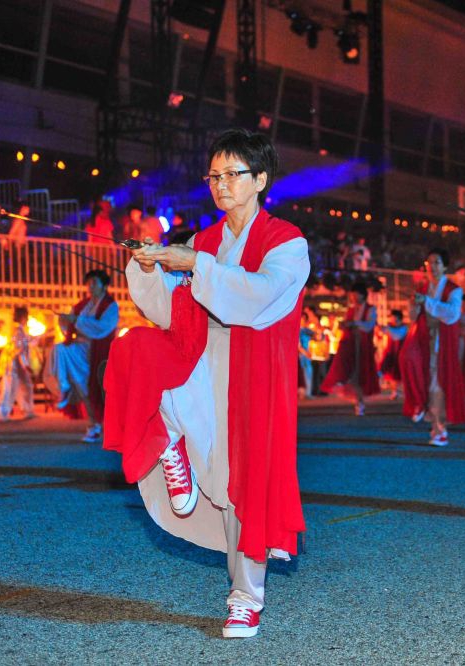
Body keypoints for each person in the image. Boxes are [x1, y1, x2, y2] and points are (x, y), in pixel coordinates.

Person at [104, 128, 309, 639]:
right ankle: (170, 445)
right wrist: (149, 267)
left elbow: (259, 298)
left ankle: (245, 599)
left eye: (232, 174)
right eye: (213, 175)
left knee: (245, 485)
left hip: (255, 373)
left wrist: (197, 264)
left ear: (260, 180)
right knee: (139, 348)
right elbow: (172, 310)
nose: (220, 184)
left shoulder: (287, 242)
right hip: (205, 359)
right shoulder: (206, 241)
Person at [400, 247, 465, 446]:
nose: (432, 266)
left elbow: (452, 315)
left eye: (437, 262)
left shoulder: (453, 289)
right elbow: (413, 318)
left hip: (442, 343)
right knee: (414, 368)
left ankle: (440, 428)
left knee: (438, 384)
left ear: (445, 266)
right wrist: (413, 305)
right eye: (429, 263)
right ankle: (423, 410)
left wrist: (427, 302)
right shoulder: (422, 287)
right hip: (423, 341)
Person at [44, 269, 118, 442]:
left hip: (96, 351)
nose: (90, 287)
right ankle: (63, 386)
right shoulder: (82, 305)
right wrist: (65, 319)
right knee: (62, 354)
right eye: (89, 283)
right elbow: (69, 327)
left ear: (104, 286)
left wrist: (75, 320)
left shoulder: (110, 305)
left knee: (92, 388)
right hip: (79, 349)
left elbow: (102, 328)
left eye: (94, 283)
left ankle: (99, 425)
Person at [320, 282, 380, 415]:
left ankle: (360, 401)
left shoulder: (371, 309)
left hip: (363, 346)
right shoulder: (352, 310)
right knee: (352, 373)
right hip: (351, 346)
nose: (353, 297)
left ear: (362, 295)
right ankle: (358, 401)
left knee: (361, 373)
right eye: (352, 295)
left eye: (355, 294)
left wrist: (354, 324)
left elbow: (369, 325)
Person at [0, 306, 38, 421]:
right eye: (26, 317)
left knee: (25, 386)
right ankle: (1, 413)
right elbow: (19, 350)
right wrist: (26, 365)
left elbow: (25, 343)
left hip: (17, 363)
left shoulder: (19, 330)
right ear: (23, 317)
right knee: (9, 388)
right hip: (12, 364)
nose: (28, 319)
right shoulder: (17, 331)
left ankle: (27, 410)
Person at [378, 309, 407, 400]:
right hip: (391, 353)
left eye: (392, 317)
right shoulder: (390, 327)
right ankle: (395, 391)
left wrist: (386, 329)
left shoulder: (403, 328)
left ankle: (398, 391)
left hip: (400, 354)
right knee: (391, 374)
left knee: (398, 374)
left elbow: (396, 335)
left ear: (398, 318)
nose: (391, 319)